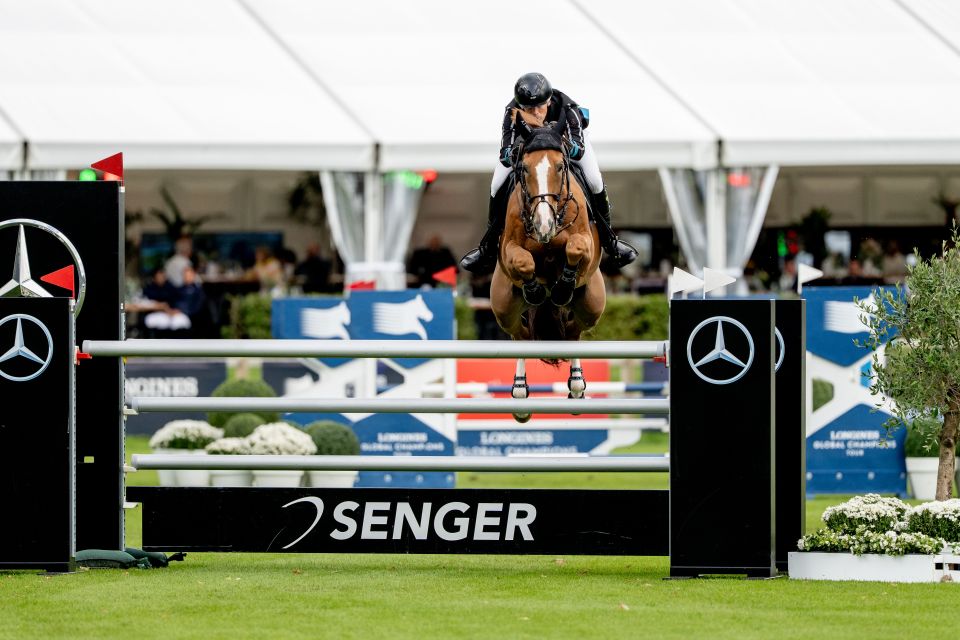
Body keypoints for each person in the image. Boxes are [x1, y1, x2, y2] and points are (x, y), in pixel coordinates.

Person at [459, 72, 637, 274]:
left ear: (549, 101)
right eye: (528, 108)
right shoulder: (511, 112)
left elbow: (578, 150)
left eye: (539, 107)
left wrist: (552, 142)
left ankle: (610, 242)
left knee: (595, 180)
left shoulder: (568, 109)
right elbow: (506, 155)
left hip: (566, 145)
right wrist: (526, 148)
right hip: (528, 149)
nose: (535, 113)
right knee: (496, 185)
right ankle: (488, 248)